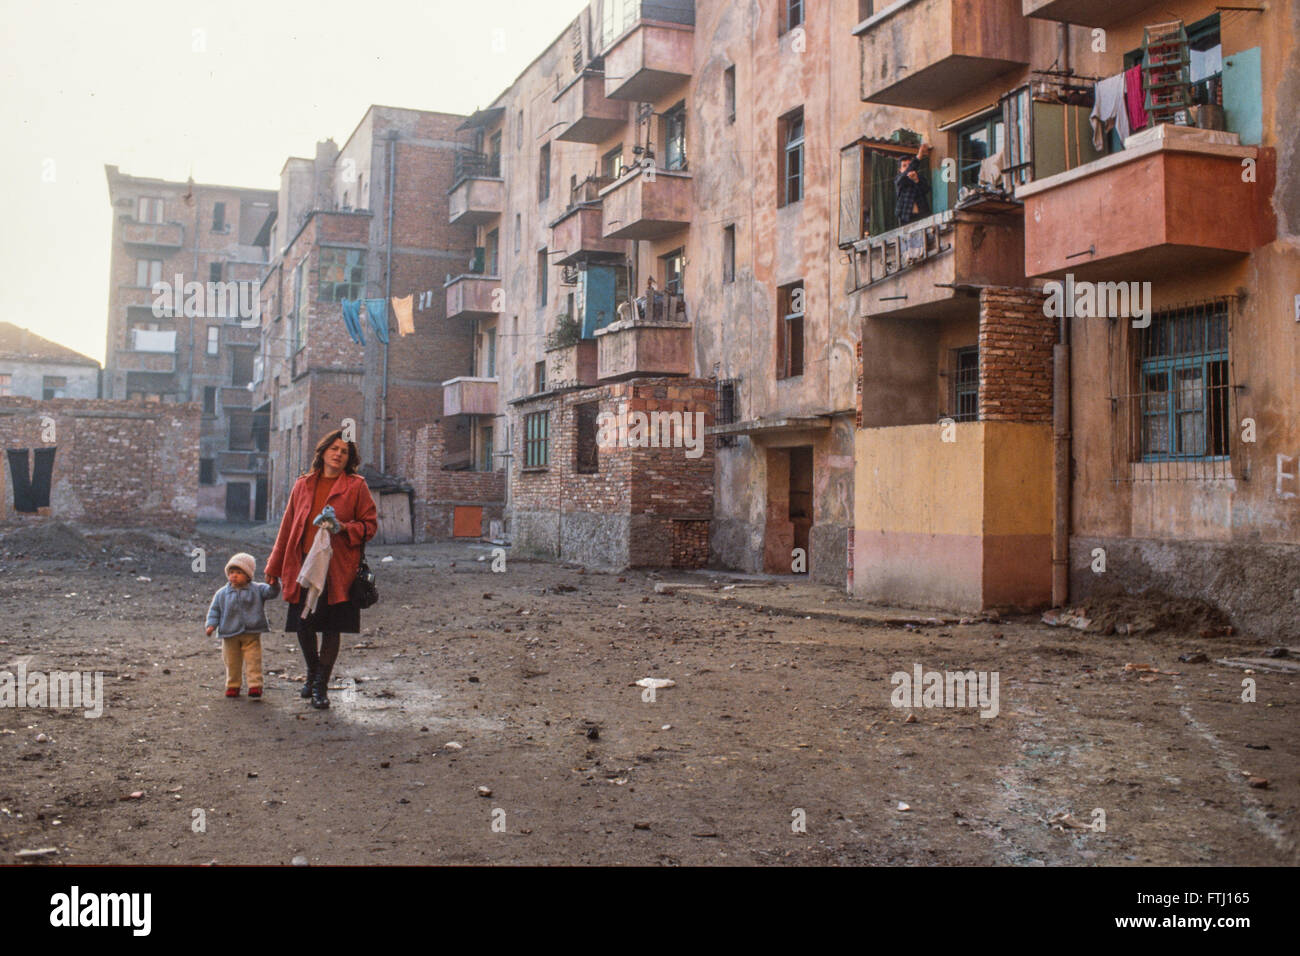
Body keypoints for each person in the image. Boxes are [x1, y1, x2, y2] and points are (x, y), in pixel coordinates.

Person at [265, 430, 378, 709]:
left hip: (338, 568)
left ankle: (320, 686)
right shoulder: (302, 485)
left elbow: (370, 526)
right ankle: (313, 672)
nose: (338, 454)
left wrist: (343, 528)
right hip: (303, 565)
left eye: (344, 451)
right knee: (304, 623)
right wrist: (274, 565)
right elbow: (287, 527)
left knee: (331, 626)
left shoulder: (356, 486)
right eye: (334, 448)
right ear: (323, 450)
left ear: (349, 459)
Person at [205, 553, 280, 699]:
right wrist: (211, 625)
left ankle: (255, 685)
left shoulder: (257, 589)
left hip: (251, 633)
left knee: (254, 660)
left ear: (248, 575)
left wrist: (274, 583)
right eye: (232, 572)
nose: (234, 576)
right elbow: (215, 610)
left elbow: (272, 593)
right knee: (231, 661)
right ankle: (233, 685)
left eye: (239, 573)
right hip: (229, 634)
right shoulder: (222, 593)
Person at [894, 142, 933, 226]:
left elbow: (926, 189)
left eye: (909, 165)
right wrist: (919, 156)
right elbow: (905, 176)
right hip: (906, 217)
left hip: (922, 215)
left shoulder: (919, 177)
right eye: (904, 166)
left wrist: (916, 180)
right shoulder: (899, 179)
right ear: (900, 170)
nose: (908, 167)